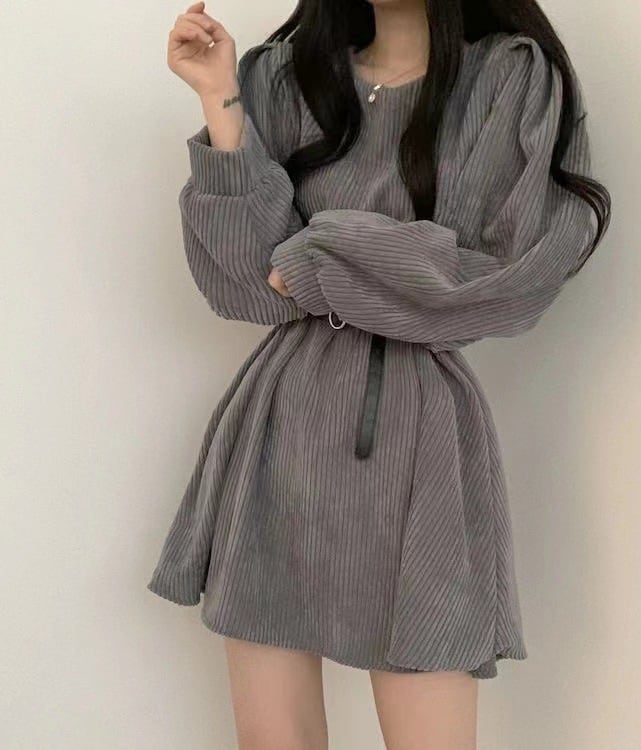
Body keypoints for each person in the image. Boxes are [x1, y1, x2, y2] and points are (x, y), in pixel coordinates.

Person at [149, 1, 611, 747]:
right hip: (283, 421)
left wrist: (315, 251)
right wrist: (219, 96)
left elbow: (508, 276)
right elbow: (247, 286)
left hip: (415, 430)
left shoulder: (510, 79)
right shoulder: (283, 78)